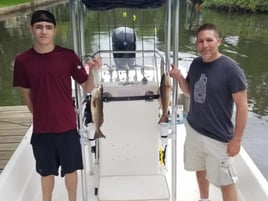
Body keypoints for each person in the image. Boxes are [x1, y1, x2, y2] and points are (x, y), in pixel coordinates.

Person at [13, 10, 101, 201]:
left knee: (71, 170)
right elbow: (26, 93)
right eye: (39, 27)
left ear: (55, 31)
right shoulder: (22, 60)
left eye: (48, 27)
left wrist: (93, 71)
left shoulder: (68, 56)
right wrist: (39, 115)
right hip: (42, 130)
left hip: (67, 126)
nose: (43, 31)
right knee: (46, 173)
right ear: (31, 30)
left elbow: (87, 87)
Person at [169, 23, 248, 201]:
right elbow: (189, 92)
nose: (205, 45)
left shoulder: (231, 69)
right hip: (194, 129)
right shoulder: (196, 64)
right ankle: (204, 199)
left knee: (226, 183)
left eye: (209, 40)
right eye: (200, 41)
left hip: (218, 138)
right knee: (200, 170)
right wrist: (180, 77)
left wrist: (237, 139)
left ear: (218, 41)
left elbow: (243, 106)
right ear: (196, 44)